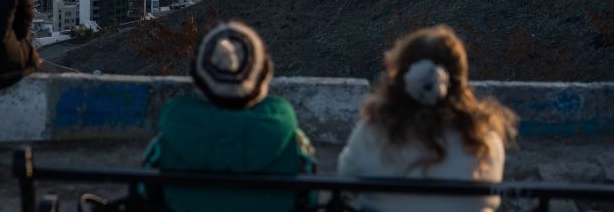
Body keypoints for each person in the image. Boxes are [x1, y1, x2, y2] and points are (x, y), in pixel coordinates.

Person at [338, 25, 518, 212]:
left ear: (401, 76)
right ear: (459, 79)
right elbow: (490, 201)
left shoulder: (371, 133)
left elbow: (346, 176)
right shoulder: (484, 141)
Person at [142, 21, 317, 212]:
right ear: (262, 78)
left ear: (200, 81)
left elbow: (145, 197)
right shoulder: (296, 145)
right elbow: (309, 200)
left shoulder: (165, 143)